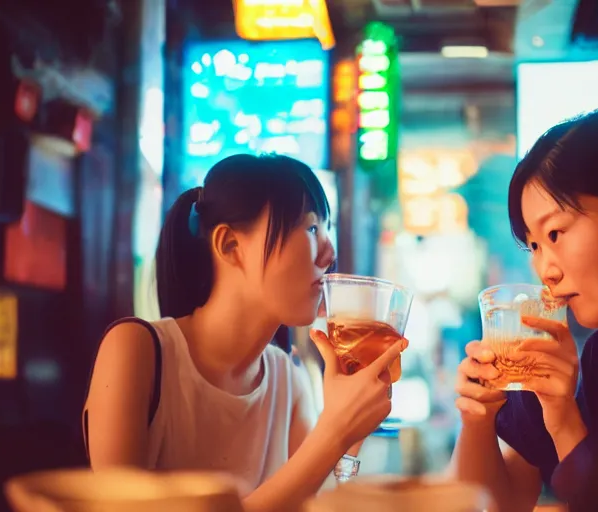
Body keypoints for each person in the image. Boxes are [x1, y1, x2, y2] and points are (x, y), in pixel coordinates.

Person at [82, 154, 407, 512]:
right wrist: (333, 433)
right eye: (312, 228)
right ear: (230, 246)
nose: (330, 253)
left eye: (327, 231)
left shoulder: (288, 379)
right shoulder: (135, 350)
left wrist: (350, 437)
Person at [451, 104, 598, 511]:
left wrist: (565, 420)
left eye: (555, 232)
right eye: (533, 245)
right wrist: (478, 417)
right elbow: (500, 501)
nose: (544, 269)